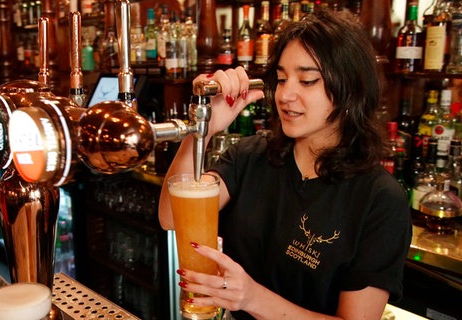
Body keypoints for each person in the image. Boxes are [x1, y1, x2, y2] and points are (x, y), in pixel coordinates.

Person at [158, 8, 412, 320]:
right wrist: (204, 130)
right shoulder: (252, 155)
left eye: (307, 81)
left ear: (349, 89)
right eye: (281, 79)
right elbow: (171, 216)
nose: (285, 94)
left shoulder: (379, 199)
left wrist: (251, 298)